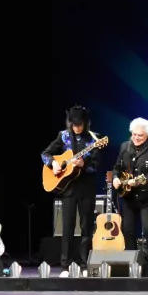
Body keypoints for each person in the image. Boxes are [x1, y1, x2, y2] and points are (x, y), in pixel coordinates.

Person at [41, 105, 102, 277]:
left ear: (85, 123)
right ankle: (65, 265)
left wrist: (84, 165)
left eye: (79, 124)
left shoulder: (95, 139)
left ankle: (84, 265)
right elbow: (45, 154)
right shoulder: (64, 136)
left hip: (86, 189)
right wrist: (53, 163)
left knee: (86, 227)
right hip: (68, 189)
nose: (77, 128)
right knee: (67, 228)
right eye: (74, 124)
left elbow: (96, 166)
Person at [112, 117, 148, 277]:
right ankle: (133, 262)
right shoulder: (124, 147)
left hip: (146, 197)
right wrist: (115, 178)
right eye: (134, 134)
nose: (136, 138)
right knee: (128, 230)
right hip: (128, 197)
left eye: (140, 135)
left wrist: (136, 182)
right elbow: (117, 167)